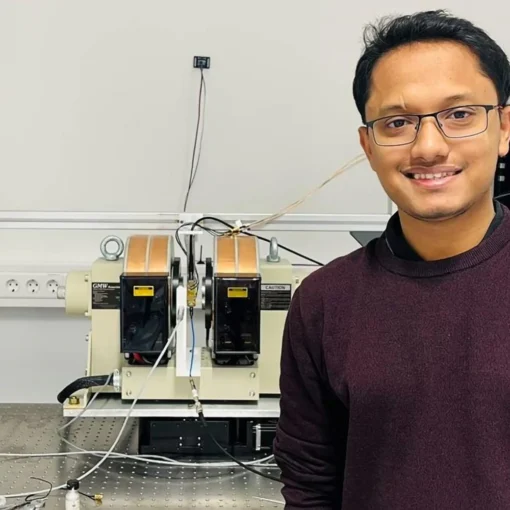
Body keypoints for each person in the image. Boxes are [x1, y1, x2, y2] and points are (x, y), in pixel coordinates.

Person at [273, 9, 510, 509]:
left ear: (504, 128)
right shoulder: (324, 303)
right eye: (398, 122)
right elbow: (310, 486)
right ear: (367, 144)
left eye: (460, 115)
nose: (428, 146)